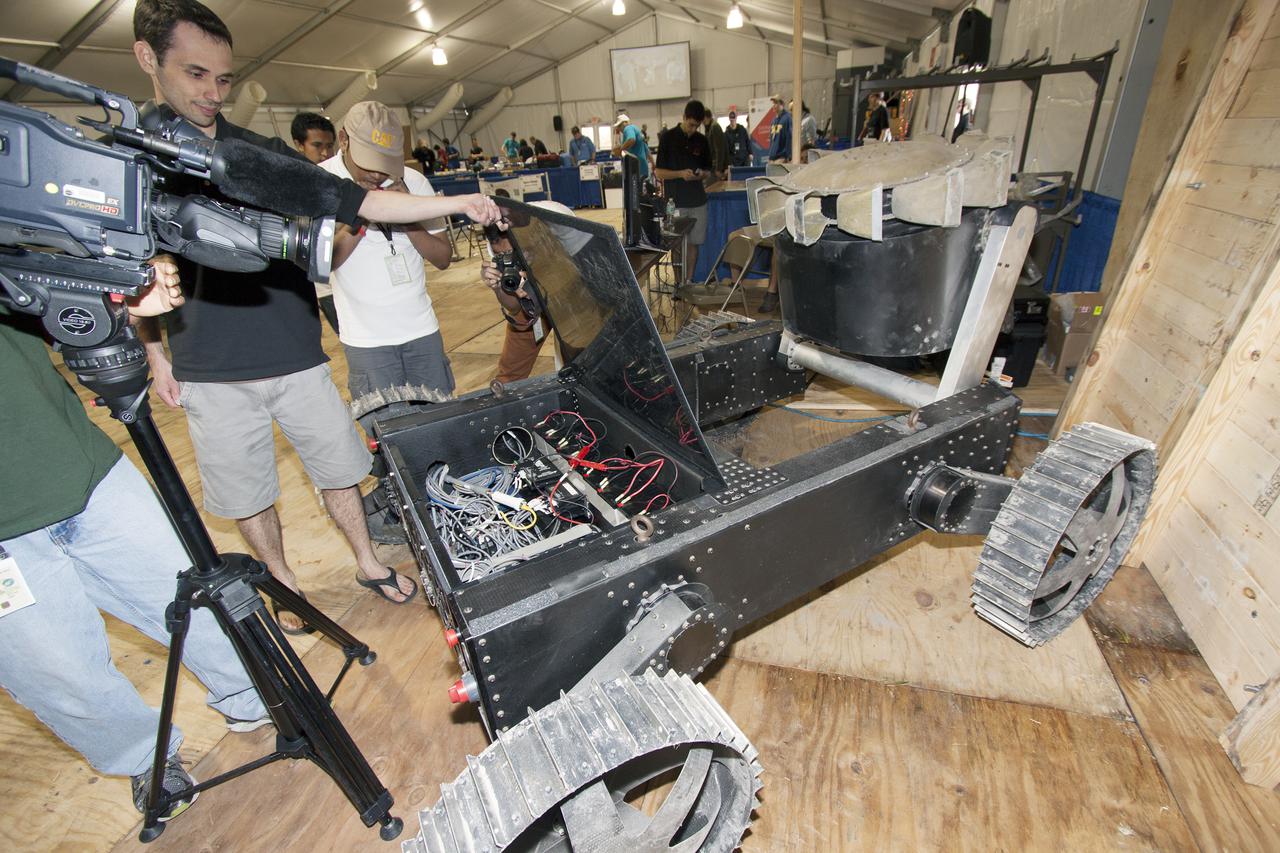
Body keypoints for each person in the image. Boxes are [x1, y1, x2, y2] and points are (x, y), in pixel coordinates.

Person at [131, 0, 500, 634]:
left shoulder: (257, 153)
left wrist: (462, 200)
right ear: (148, 60)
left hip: (295, 350)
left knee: (340, 468)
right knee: (249, 492)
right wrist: (155, 352)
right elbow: (135, 263)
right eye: (196, 75)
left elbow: (352, 199)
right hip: (210, 365)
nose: (213, 93)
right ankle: (285, 585)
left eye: (224, 79)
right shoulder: (136, 162)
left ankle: (366, 560)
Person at [0, 261, 268, 822]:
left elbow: (33, 270)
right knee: (58, 673)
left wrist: (113, 289)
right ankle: (143, 756)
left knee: (193, 597)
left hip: (80, 467)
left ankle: (255, 695)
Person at [319, 101, 455, 407]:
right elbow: (325, 263)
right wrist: (366, 211)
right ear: (344, 140)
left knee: (440, 426)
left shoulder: (413, 181)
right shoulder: (322, 183)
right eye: (369, 163)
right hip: (367, 342)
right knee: (386, 437)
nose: (378, 174)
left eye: (385, 163)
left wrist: (408, 214)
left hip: (422, 333)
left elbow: (443, 257)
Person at [290, 112, 341, 336]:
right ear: (299, 145)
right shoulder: (290, 184)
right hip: (324, 287)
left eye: (330, 146)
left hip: (353, 278)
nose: (325, 153)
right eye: (317, 145)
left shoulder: (340, 180)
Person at [655, 100, 712, 286]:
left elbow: (708, 171)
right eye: (691, 124)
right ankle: (678, 284)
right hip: (675, 202)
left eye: (697, 126)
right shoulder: (668, 138)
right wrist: (680, 174)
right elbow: (658, 172)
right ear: (684, 117)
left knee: (694, 244)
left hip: (698, 201)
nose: (693, 129)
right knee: (676, 245)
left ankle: (688, 281)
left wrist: (700, 175)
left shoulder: (702, 141)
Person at [612, 113, 651, 180]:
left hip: (635, 167)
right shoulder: (637, 130)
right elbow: (647, 150)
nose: (619, 128)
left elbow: (631, 139)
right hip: (642, 166)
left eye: (619, 126)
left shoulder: (628, 128)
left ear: (625, 123)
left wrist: (620, 149)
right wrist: (653, 164)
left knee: (635, 189)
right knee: (643, 187)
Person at [703, 106, 729, 180]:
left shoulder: (714, 127)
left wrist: (718, 169)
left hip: (717, 168)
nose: (701, 122)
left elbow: (719, 149)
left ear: (706, 117)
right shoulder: (709, 128)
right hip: (714, 166)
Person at [767, 96, 791, 162]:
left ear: (782, 104)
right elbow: (772, 139)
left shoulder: (787, 118)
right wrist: (770, 156)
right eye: (773, 103)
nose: (774, 106)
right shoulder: (774, 120)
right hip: (773, 157)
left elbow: (789, 138)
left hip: (782, 157)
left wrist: (788, 156)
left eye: (776, 103)